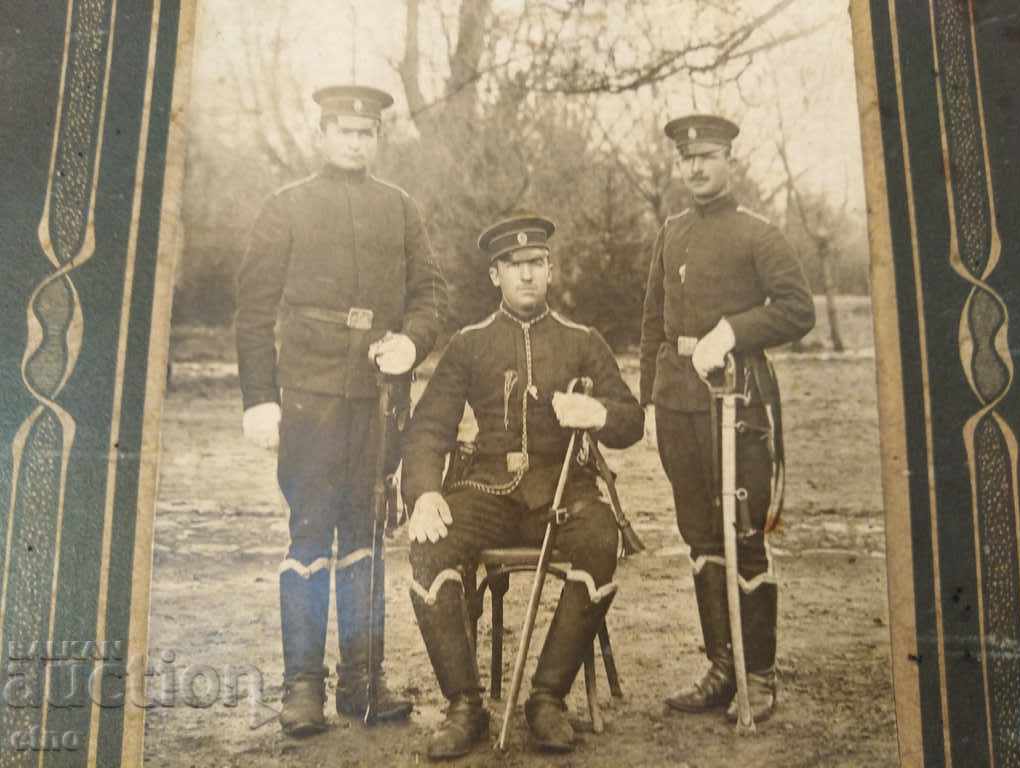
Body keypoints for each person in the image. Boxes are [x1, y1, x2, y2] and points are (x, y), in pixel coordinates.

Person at [234, 84, 447, 736]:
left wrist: (411, 338)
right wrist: (261, 400)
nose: (356, 142)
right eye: (344, 131)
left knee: (364, 533)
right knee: (310, 531)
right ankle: (303, 683)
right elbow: (252, 311)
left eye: (366, 133)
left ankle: (363, 676)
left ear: (377, 139)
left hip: (376, 398)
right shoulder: (286, 207)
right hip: (307, 394)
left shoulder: (400, 208)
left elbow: (432, 292)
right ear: (322, 134)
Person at [402, 215, 644, 758]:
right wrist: (423, 492)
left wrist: (598, 411)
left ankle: (547, 699)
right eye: (515, 266)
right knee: (428, 543)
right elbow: (428, 428)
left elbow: (632, 420)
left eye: (537, 263)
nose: (528, 275)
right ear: (496, 275)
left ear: (551, 270)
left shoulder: (583, 342)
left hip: (560, 494)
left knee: (600, 538)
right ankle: (464, 706)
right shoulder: (470, 345)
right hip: (484, 492)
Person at [639, 114, 815, 724]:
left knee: (744, 533)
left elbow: (798, 310)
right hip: (678, 401)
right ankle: (721, 668)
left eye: (707, 156)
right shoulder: (671, 233)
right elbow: (652, 323)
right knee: (699, 535)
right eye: (687, 159)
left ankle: (757, 675)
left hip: (737, 402)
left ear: (730, 159)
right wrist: (646, 399)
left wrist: (734, 331)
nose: (696, 167)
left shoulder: (758, 234)